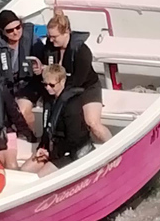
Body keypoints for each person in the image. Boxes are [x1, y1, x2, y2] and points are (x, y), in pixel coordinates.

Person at [42, 9, 112, 143]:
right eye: (49, 36)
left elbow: (78, 80)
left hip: (86, 87)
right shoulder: (50, 48)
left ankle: (113, 148)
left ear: (66, 32)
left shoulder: (82, 52)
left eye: (54, 37)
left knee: (92, 123)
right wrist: (42, 70)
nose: (51, 40)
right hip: (60, 88)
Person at [21, 65, 94, 177]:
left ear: (63, 81)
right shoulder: (49, 99)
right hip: (53, 149)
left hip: (71, 152)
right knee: (24, 171)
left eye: (52, 85)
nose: (48, 88)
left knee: (41, 176)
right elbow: (47, 128)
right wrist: (42, 147)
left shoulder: (72, 104)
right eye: (45, 84)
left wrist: (52, 153)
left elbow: (74, 139)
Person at [0, 9, 45, 131]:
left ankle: (32, 136)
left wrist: (40, 69)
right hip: (8, 84)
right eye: (10, 30)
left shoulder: (31, 39)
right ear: (2, 32)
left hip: (30, 83)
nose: (15, 32)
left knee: (22, 111)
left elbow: (45, 60)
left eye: (18, 27)